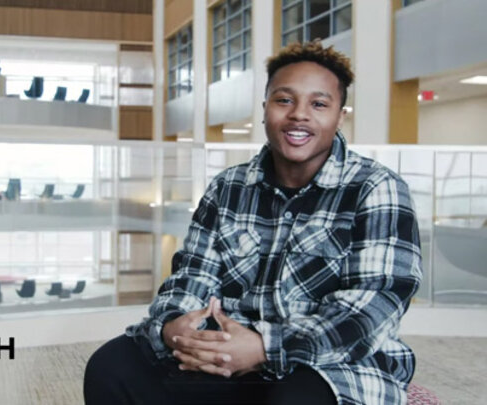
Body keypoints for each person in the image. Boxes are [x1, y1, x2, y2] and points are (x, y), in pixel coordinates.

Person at [84, 40, 422, 405]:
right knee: (111, 367)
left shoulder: (376, 188)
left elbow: (372, 306)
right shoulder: (227, 186)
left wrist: (263, 347)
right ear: (265, 109)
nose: (299, 115)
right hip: (226, 348)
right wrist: (176, 327)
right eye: (284, 100)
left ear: (340, 116)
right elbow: (192, 275)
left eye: (319, 104)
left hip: (331, 362)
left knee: (290, 401)